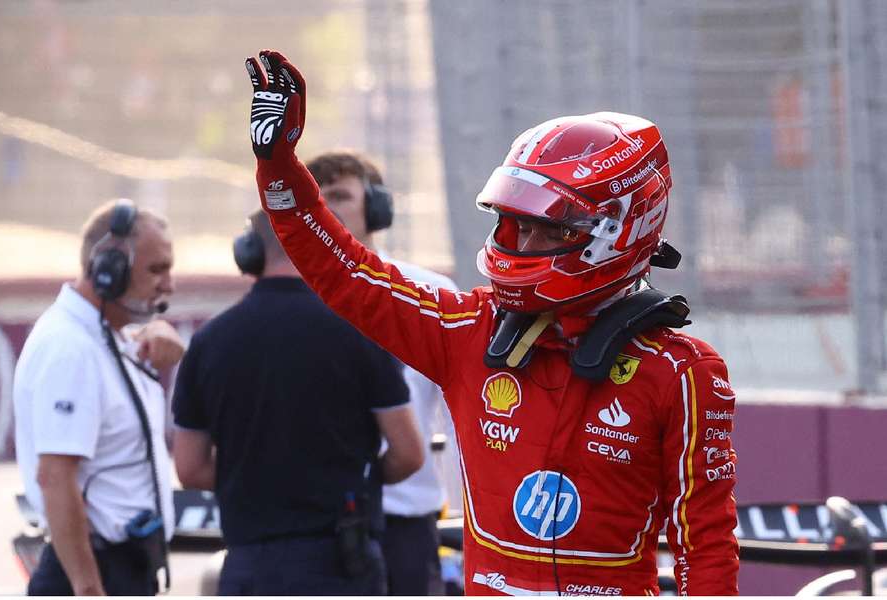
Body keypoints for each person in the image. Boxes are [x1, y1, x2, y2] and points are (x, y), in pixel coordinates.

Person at [243, 50, 739, 595]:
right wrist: (279, 167)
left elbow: (706, 547)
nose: (524, 246)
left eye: (548, 229)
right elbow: (346, 274)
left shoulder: (685, 374)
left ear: (621, 229)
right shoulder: (466, 330)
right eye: (514, 224)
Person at [170, 209, 424, 595]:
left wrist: (255, 473)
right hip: (341, 563)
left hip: (249, 565)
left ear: (249, 253)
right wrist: (356, 477)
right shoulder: (360, 330)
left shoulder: (209, 342)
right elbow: (408, 454)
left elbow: (189, 468)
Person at [307, 150, 460, 595]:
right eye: (315, 198)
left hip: (405, 522)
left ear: (377, 208)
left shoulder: (430, 293)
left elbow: (458, 415)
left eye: (338, 195)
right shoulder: (290, 298)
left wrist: (469, 516)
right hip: (313, 522)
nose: (325, 208)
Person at [14, 199, 182, 596]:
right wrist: (89, 589)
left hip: (125, 567)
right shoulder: (71, 349)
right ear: (108, 270)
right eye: (156, 269)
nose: (169, 285)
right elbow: (56, 478)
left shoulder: (105, 339)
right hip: (95, 573)